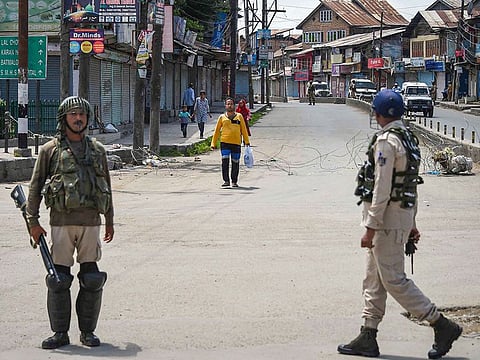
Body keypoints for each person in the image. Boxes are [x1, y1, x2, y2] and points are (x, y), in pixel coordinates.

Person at [338, 90, 462, 359]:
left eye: (375, 111)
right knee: (373, 278)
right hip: (400, 217)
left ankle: (441, 324)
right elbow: (409, 186)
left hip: (385, 222)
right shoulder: (408, 139)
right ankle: (368, 334)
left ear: (379, 114)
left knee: (393, 279)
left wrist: (370, 227)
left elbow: (382, 188)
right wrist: (412, 222)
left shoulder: (386, 142)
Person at [26, 96, 114, 350]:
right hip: (61, 223)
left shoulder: (97, 150)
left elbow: (106, 186)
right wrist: (33, 222)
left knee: (92, 277)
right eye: (73, 114)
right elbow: (35, 187)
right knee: (58, 279)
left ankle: (88, 332)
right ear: (63, 118)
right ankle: (60, 333)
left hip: (90, 223)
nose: (78, 119)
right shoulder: (50, 150)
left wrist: (109, 220)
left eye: (83, 114)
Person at [210, 97, 250, 188]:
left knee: (235, 162)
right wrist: (213, 143)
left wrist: (247, 141)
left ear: (234, 105)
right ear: (225, 106)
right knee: (225, 162)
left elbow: (244, 129)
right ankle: (226, 181)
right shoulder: (222, 117)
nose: (230, 105)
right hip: (225, 143)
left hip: (236, 143)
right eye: (228, 104)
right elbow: (216, 131)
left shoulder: (239, 116)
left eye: (231, 104)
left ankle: (234, 181)